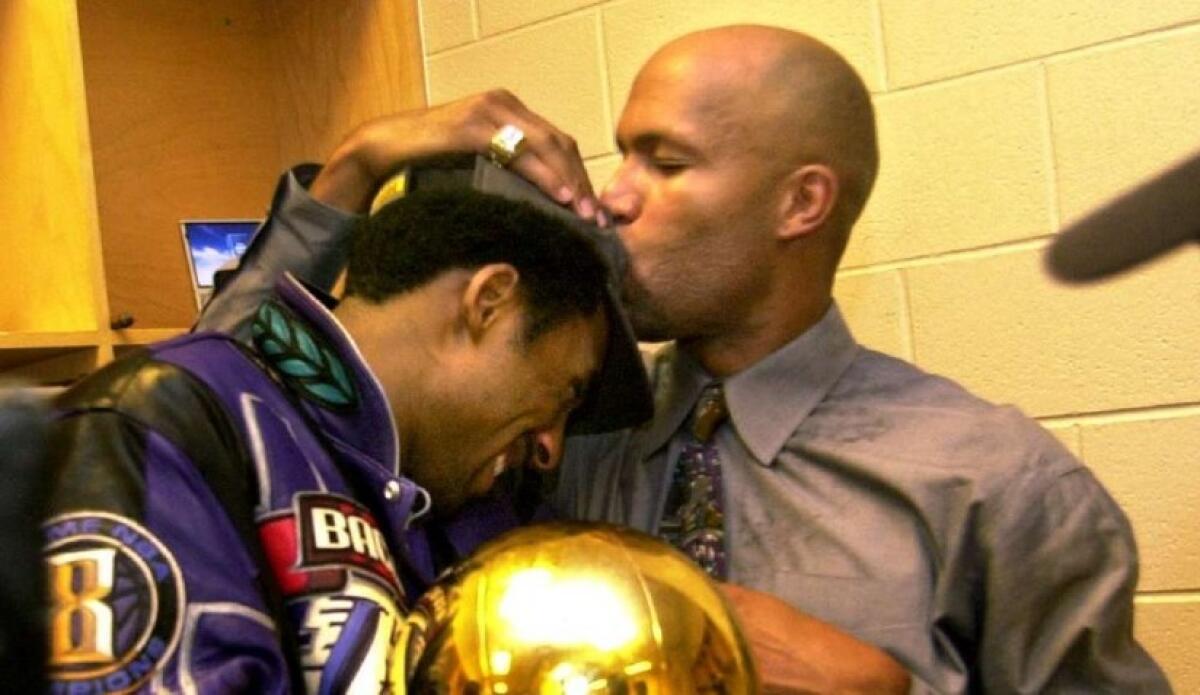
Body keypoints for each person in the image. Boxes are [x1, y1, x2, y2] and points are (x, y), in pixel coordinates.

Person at [199, 25, 1169, 694]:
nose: (612, 196)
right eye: (621, 155)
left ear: (802, 203)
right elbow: (219, 414)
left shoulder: (997, 486)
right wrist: (355, 170)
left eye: (663, 162)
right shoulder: (544, 437)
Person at [40, 178, 653, 693]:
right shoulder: (153, 426)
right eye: (564, 395)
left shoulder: (479, 512)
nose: (550, 446)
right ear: (488, 302)